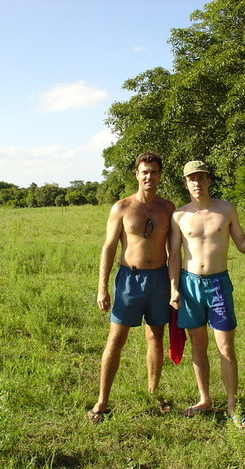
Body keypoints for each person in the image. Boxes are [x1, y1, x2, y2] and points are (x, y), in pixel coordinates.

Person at [168, 160, 245, 427]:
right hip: (190, 285)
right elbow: (174, 257)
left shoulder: (225, 209)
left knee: (226, 347)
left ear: (209, 180)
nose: (197, 183)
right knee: (198, 346)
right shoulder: (179, 216)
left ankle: (232, 406)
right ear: (185, 183)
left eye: (201, 178)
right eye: (192, 179)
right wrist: (173, 288)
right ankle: (204, 400)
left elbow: (242, 244)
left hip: (217, 284)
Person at [88, 151, 176, 423]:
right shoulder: (122, 207)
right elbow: (109, 246)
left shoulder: (168, 208)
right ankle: (102, 401)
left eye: (154, 171)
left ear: (160, 175)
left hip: (159, 279)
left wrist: (175, 285)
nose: (149, 176)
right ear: (137, 174)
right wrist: (102, 287)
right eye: (144, 171)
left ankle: (153, 392)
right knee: (116, 339)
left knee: (155, 338)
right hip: (129, 279)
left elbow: (174, 250)